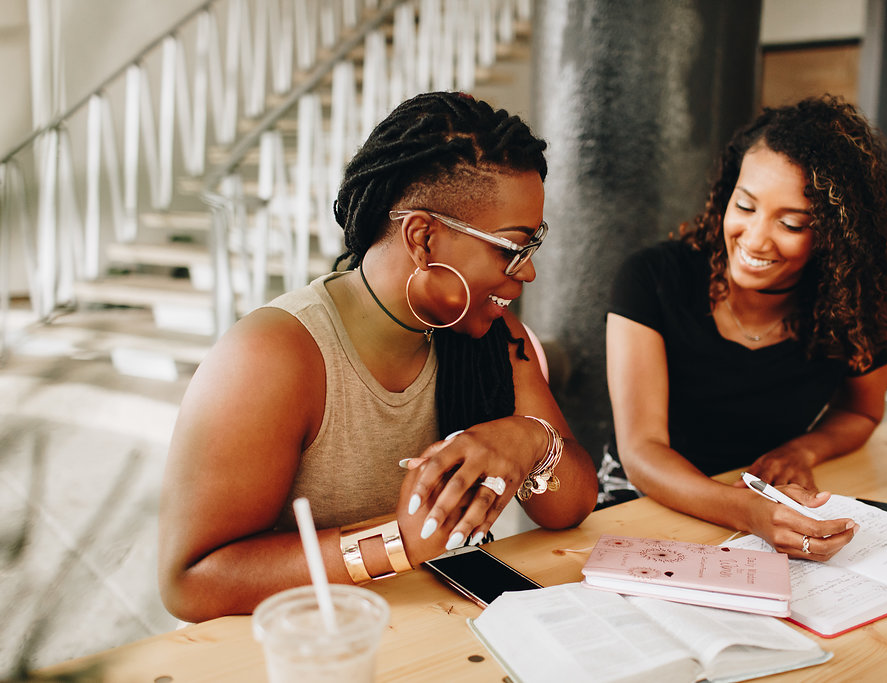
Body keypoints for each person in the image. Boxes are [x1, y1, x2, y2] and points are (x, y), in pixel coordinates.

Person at [158, 91, 598, 622]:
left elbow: (570, 507)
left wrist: (531, 440)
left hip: (436, 635)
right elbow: (190, 581)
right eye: (510, 248)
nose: (527, 272)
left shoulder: (493, 338)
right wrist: (398, 542)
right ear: (423, 238)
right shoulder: (273, 356)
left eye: (533, 246)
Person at [605, 96, 887, 562]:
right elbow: (642, 450)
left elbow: (861, 413)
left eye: (790, 223)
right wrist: (746, 512)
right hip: (642, 499)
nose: (754, 239)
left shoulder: (860, 308)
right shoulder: (653, 278)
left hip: (768, 505)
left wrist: (804, 450)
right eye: (745, 206)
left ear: (835, 236)